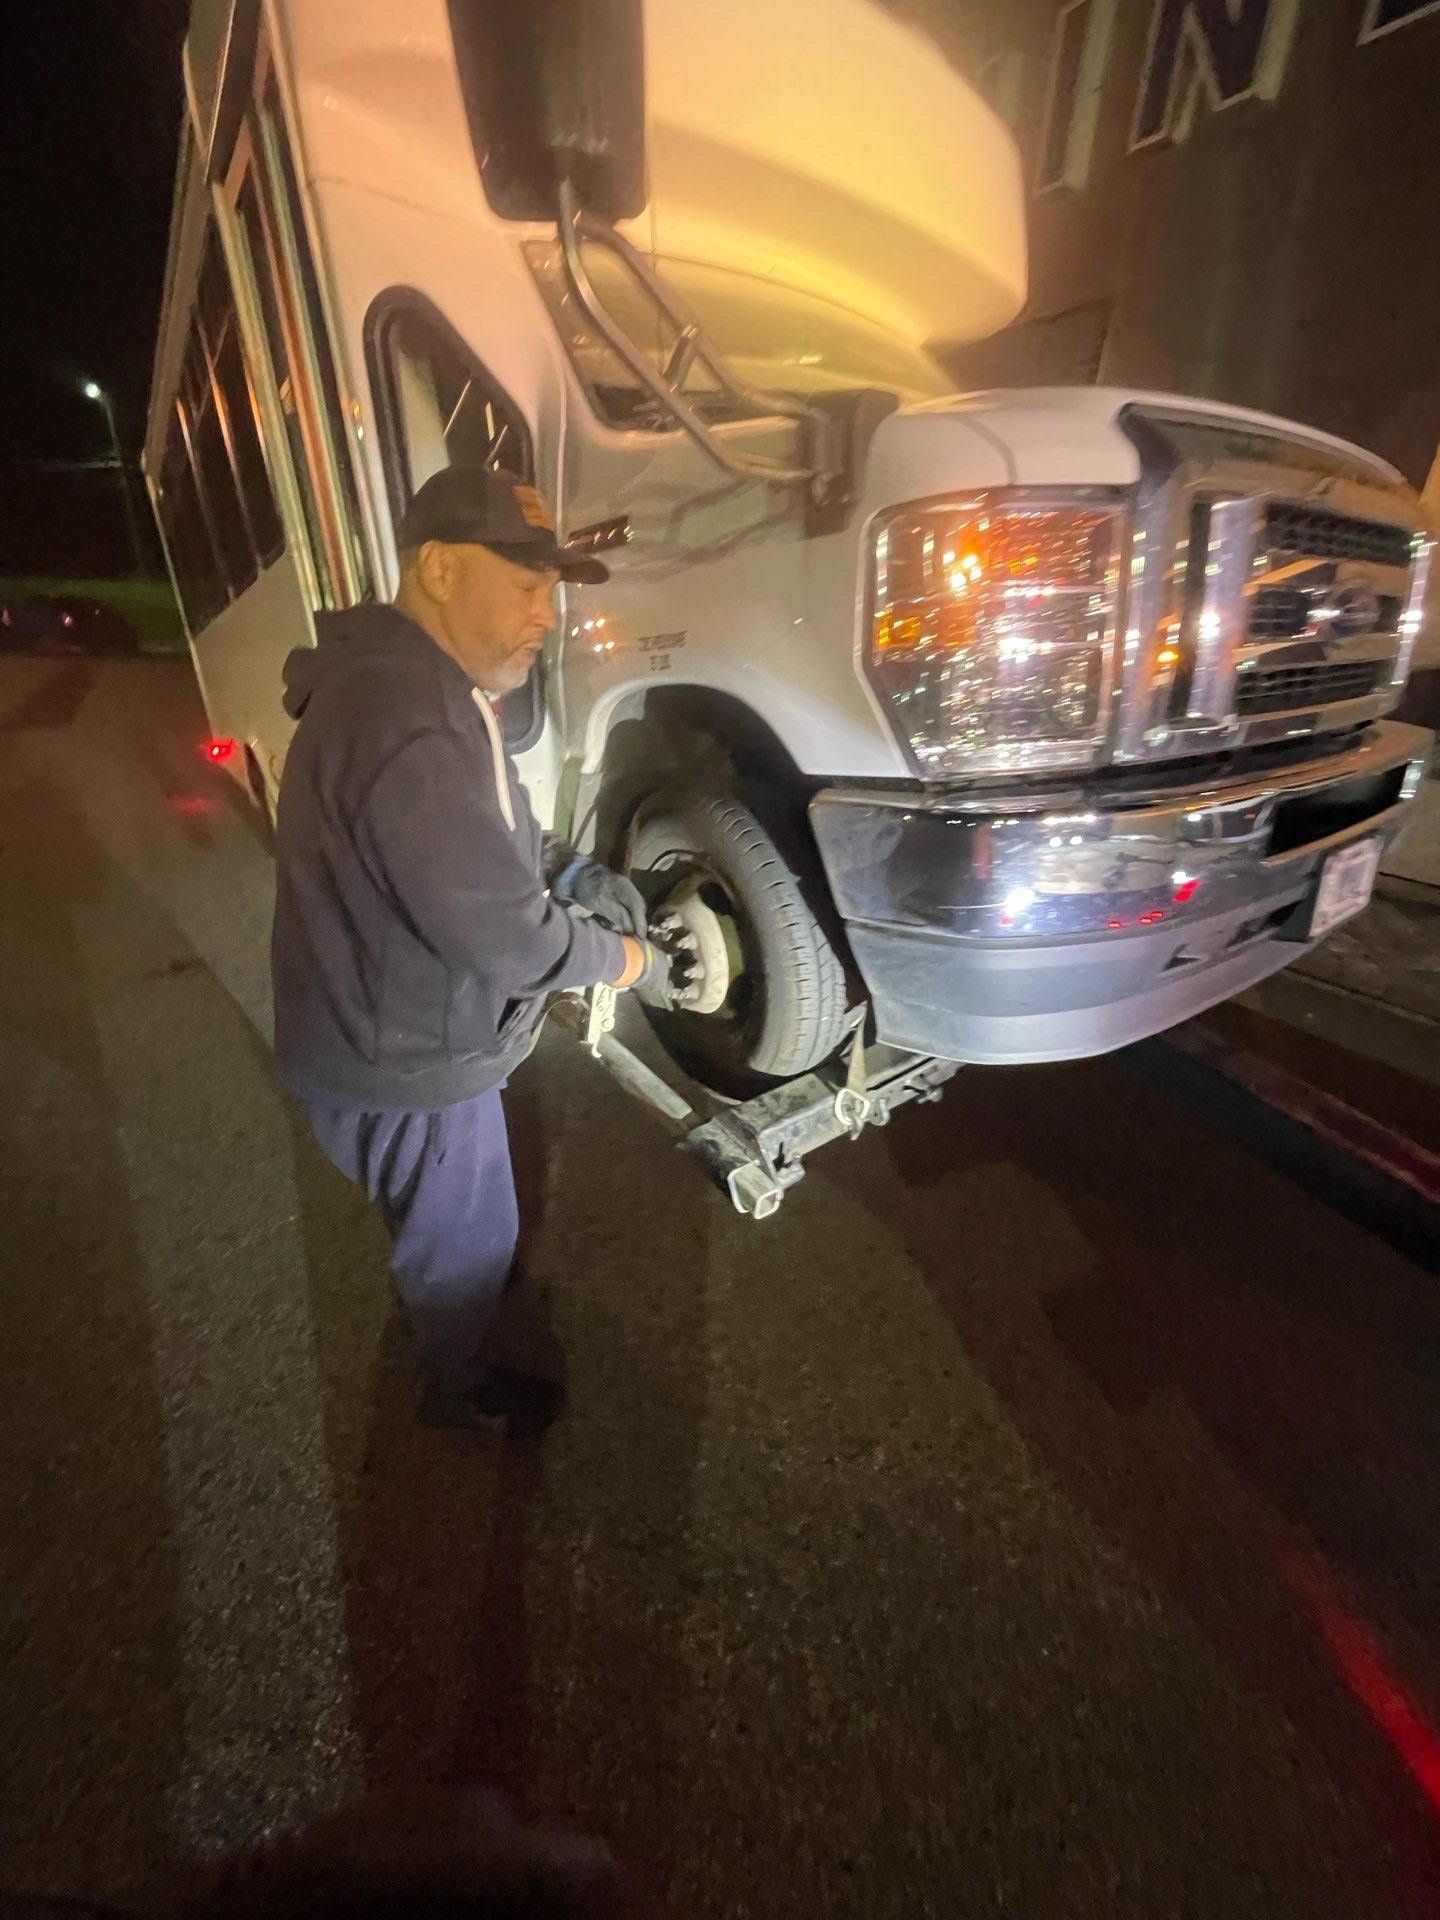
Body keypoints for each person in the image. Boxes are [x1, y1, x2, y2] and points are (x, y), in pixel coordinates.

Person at [271, 465, 685, 1435]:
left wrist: (572, 872)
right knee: (464, 1243)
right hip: (403, 1058)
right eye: (529, 585)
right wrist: (630, 962)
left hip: (371, 1026)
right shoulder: (409, 715)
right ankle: (459, 1393)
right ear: (442, 569)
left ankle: (453, 1341)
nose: (549, 615)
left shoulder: (417, 690)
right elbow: (507, 940)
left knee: (452, 1227)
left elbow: (487, 838)